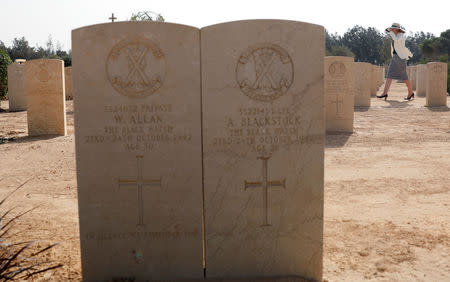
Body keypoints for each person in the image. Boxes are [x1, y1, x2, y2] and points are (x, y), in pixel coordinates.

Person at [377, 23, 414, 101]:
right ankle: (384, 93)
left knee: (404, 77)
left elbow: (396, 39)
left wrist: (390, 32)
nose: (392, 30)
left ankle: (410, 92)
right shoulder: (394, 35)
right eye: (392, 28)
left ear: (397, 29)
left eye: (393, 28)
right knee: (389, 75)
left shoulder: (401, 35)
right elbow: (391, 36)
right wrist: (389, 30)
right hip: (395, 57)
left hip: (400, 58)